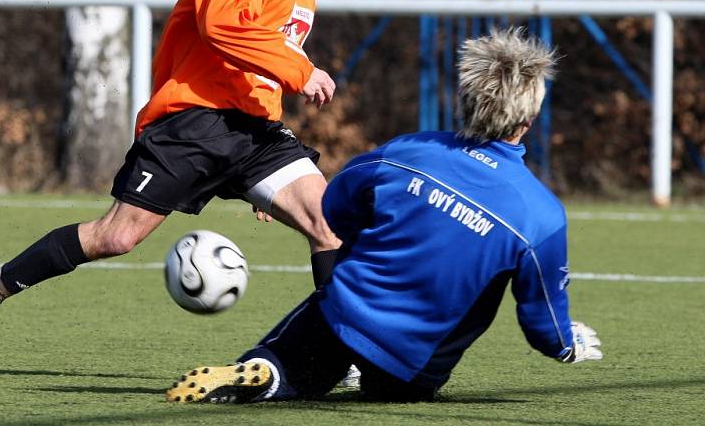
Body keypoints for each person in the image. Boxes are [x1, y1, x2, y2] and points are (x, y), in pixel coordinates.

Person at [0, 0, 351, 361]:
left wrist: (267, 166)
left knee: (326, 223)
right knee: (115, 237)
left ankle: (341, 350)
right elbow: (223, 26)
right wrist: (302, 71)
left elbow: (262, 59)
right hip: (195, 122)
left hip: (252, 133)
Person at [166, 28, 603, 404]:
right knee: (393, 386)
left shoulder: (408, 151)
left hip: (343, 313)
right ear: (529, 118)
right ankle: (372, 373)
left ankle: (269, 370)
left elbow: (335, 208)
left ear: (466, 100)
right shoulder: (541, 214)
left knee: (292, 362)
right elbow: (541, 324)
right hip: (413, 361)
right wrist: (567, 345)